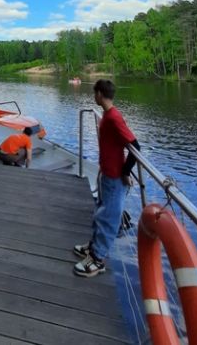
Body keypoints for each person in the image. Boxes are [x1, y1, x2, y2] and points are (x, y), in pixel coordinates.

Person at [73, 79, 140, 277]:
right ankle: (93, 247)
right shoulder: (108, 115)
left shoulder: (114, 117)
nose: (94, 97)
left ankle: (97, 259)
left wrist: (126, 172)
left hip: (114, 177)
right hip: (107, 174)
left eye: (95, 93)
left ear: (100, 94)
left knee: (109, 218)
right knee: (101, 213)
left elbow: (135, 146)